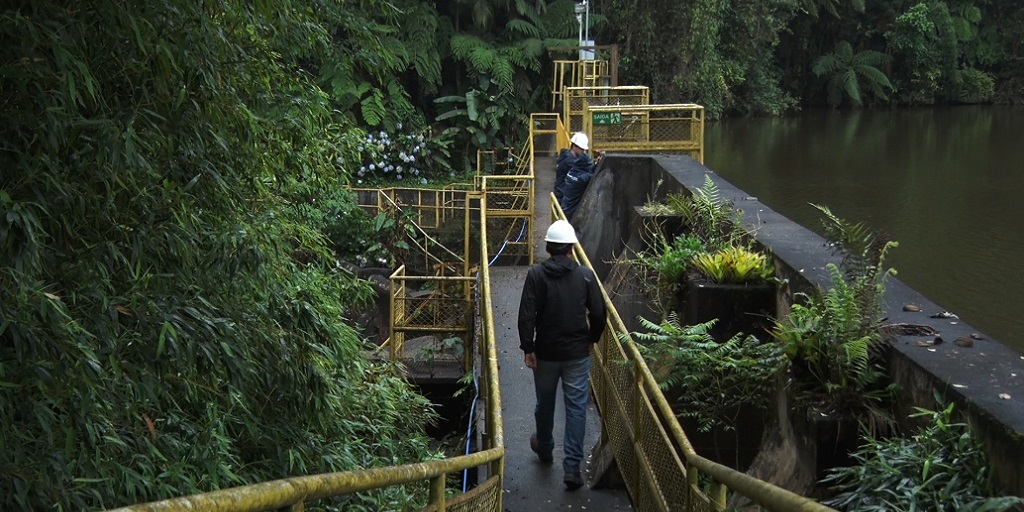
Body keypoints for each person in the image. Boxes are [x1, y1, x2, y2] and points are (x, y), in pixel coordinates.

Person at [518, 220, 607, 491]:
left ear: (548, 247)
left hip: (545, 353)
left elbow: (526, 314)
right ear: (571, 248)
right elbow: (599, 313)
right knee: (576, 408)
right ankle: (572, 469)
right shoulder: (585, 276)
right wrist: (592, 339)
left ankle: (544, 448)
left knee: (544, 403)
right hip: (577, 354)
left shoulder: (536, 275)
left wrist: (528, 348)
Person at [555, 132, 601, 220]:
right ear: (574, 146)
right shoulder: (569, 161)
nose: (583, 152)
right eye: (581, 149)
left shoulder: (567, 157)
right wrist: (595, 165)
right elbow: (585, 174)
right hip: (563, 196)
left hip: (563, 195)